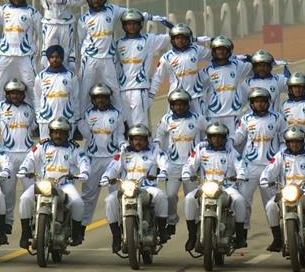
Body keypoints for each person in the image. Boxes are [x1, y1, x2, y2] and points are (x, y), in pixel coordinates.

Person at [77, 0, 169, 123]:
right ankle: (80, 121)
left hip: (108, 59)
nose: (96, 0)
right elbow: (80, 40)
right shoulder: (83, 19)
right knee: (84, 91)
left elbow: (130, 13)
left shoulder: (112, 10)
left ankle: (121, 122)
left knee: (116, 92)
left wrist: (152, 17)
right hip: (90, 59)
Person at [17, 117, 89, 249]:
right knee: (25, 199)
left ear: (67, 133)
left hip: (65, 185)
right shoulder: (42, 145)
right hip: (44, 183)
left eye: (62, 132)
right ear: (50, 133)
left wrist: (84, 173)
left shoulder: (74, 148)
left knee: (78, 202)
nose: (58, 135)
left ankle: (76, 233)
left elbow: (84, 161)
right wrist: (24, 169)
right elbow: (29, 159)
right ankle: (25, 232)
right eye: (55, 132)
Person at [100, 124, 170, 252]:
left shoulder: (154, 150)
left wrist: (164, 172)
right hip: (127, 188)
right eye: (135, 139)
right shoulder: (124, 152)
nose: (138, 142)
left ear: (146, 140)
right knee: (109, 200)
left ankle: (162, 230)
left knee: (161, 196)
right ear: (130, 140)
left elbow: (164, 162)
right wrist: (106, 177)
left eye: (141, 139)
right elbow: (114, 167)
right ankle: (116, 236)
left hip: (147, 188)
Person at [260, 125, 305, 253]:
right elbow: (269, 170)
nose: (295, 144)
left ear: (303, 142)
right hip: (286, 190)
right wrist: (265, 179)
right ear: (287, 142)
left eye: (298, 141)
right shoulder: (280, 155)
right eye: (292, 142)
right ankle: (277, 239)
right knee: (270, 206)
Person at [0, 79, 36, 233]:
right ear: (7, 94)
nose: (15, 96)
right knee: (7, 192)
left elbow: (37, 126)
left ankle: (33, 221)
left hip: (27, 154)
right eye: (12, 93)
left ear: (23, 94)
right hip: (8, 155)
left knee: (31, 191)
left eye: (18, 93)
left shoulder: (31, 109)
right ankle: (7, 223)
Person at [182, 122, 248, 251]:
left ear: (224, 138)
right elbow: (189, 165)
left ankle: (240, 236)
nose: (217, 140)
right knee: (189, 199)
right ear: (209, 138)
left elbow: (241, 166)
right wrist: (187, 174)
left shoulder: (230, 152)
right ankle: (192, 236)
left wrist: (240, 175)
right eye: (213, 137)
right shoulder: (201, 150)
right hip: (205, 187)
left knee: (240, 201)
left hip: (226, 188)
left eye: (220, 137)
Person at [154, 89, 209, 236]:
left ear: (187, 104)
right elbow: (158, 138)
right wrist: (159, 159)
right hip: (173, 165)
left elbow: (210, 132)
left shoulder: (197, 118)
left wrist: (204, 145)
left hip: (192, 165)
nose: (179, 107)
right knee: (170, 195)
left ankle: (196, 226)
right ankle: (171, 222)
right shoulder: (166, 120)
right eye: (176, 104)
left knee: (191, 198)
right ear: (171, 105)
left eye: (182, 104)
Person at [233, 87, 287, 236]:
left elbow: (285, 138)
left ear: (268, 102)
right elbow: (238, 138)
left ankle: (278, 234)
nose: (260, 104)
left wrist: (280, 154)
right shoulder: (245, 119)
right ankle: (242, 233)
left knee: (272, 202)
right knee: (244, 201)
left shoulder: (278, 118)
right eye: (256, 102)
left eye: (263, 101)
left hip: (270, 167)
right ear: (251, 103)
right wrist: (227, 140)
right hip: (250, 165)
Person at [76, 85, 125, 228]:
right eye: (97, 98)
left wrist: (123, 145)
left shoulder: (117, 114)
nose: (101, 100)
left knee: (116, 196)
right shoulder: (87, 115)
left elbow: (120, 134)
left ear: (108, 98)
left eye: (103, 97)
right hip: (92, 158)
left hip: (112, 159)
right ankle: (81, 229)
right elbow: (84, 132)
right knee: (88, 196)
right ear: (93, 99)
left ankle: (120, 229)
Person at [0, 0, 43, 106]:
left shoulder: (33, 12)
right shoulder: (4, 10)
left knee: (31, 87)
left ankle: (37, 120)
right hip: (5, 54)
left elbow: (43, 34)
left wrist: (40, 52)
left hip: (25, 56)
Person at [113, 10, 171, 127]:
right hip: (122, 90)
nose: (132, 26)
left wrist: (161, 20)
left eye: (135, 23)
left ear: (141, 25)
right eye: (129, 24)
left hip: (140, 90)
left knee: (140, 127)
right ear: (124, 25)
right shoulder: (117, 44)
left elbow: (176, 35)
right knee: (125, 127)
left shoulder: (149, 40)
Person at [149, 24, 212, 117]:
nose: (180, 41)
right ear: (172, 40)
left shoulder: (196, 50)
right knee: (174, 126)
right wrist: (151, 95)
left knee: (201, 126)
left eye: (183, 38)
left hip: (196, 96)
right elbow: (157, 78)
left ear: (188, 39)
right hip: (176, 99)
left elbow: (215, 56)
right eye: (177, 38)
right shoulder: (166, 57)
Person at [199, 36, 252, 135]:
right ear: (214, 51)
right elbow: (196, 88)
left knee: (235, 143)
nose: (221, 52)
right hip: (214, 115)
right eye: (218, 49)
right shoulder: (207, 71)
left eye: (224, 49)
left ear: (229, 51)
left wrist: (252, 58)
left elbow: (256, 69)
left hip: (234, 114)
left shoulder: (237, 65)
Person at [33, 45, 80, 140]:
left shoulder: (71, 76)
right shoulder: (41, 76)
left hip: (67, 119)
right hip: (46, 119)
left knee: (67, 149)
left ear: (62, 58)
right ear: (48, 59)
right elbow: (37, 98)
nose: (55, 59)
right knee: (46, 150)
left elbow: (76, 98)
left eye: (57, 57)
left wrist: (76, 118)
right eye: (52, 57)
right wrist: (38, 116)